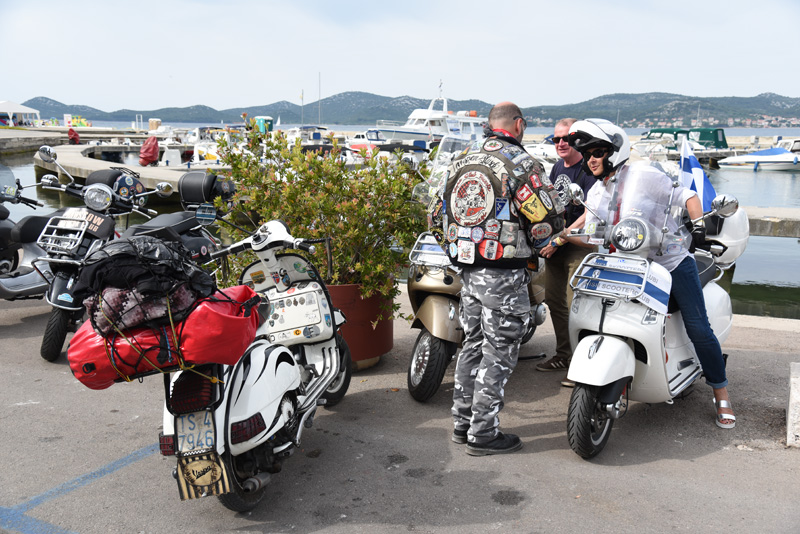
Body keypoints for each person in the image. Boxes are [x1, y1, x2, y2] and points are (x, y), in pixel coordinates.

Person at [567, 118, 736, 429]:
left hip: (670, 263)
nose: (590, 159)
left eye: (597, 152)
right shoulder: (596, 193)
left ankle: (721, 391)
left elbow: (688, 197)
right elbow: (591, 234)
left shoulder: (644, 175)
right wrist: (563, 235)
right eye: (587, 153)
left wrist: (698, 227)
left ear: (614, 151)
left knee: (699, 327)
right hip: (627, 266)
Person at [444, 102, 564, 455]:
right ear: (519, 125)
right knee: (499, 352)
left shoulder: (462, 159)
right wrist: (546, 243)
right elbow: (545, 216)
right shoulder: (522, 163)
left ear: (487, 126)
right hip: (504, 275)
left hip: (468, 271)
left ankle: (461, 423)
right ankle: (483, 433)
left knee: (472, 346)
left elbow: (437, 213)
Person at [536, 119, 597, 386]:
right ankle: (564, 354)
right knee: (554, 301)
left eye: (567, 139)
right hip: (556, 244)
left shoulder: (588, 169)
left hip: (578, 246)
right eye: (556, 139)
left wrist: (559, 239)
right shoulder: (557, 166)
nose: (561, 143)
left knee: (577, 307)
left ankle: (584, 364)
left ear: (577, 140)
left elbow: (588, 213)